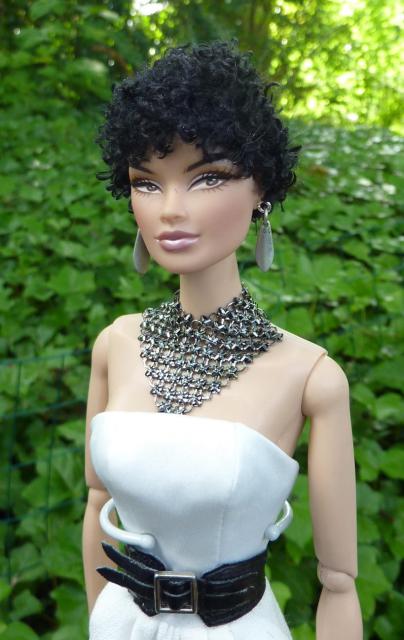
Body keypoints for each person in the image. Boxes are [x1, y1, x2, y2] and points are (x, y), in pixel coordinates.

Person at [82, 40, 362, 639]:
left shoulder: (309, 376)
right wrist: (99, 617)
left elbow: (339, 578)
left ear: (261, 190)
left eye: (207, 178)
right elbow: (96, 503)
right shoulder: (116, 345)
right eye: (146, 183)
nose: (169, 210)